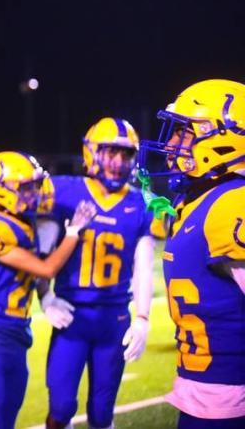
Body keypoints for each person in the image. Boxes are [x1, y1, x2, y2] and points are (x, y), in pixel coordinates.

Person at [138, 79, 245, 429]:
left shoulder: (231, 205)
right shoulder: (196, 200)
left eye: (183, 133)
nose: (170, 144)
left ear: (222, 138)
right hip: (201, 394)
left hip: (228, 401)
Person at [0, 151, 97, 429]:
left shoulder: (25, 224)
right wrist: (73, 234)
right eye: (25, 187)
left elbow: (36, 278)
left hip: (17, 334)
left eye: (34, 185)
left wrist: (46, 297)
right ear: (0, 191)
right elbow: (44, 269)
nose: (33, 193)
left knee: (7, 419)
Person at [37, 118, 156, 429]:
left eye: (125, 154)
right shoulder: (63, 192)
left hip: (114, 320)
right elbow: (42, 252)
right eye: (110, 152)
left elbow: (144, 266)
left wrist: (142, 318)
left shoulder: (141, 203)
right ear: (92, 152)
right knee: (61, 408)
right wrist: (45, 295)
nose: (118, 162)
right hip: (71, 316)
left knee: (102, 412)